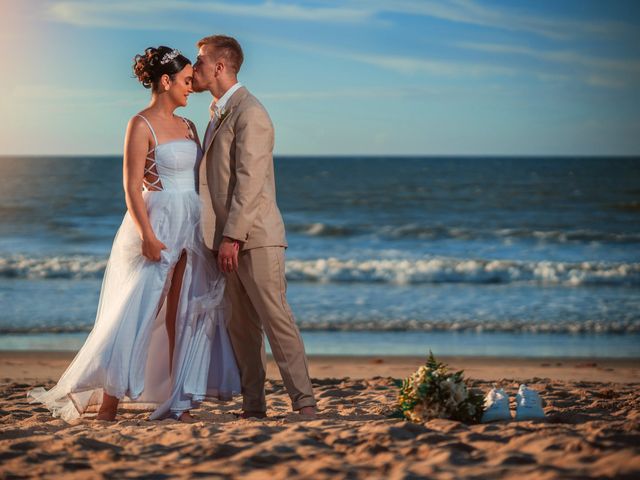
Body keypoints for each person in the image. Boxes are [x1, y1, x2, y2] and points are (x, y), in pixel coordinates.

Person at [28, 46, 240, 422]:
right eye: (187, 81)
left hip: (190, 221)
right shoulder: (140, 124)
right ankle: (108, 402)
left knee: (183, 313)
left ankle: (178, 400)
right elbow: (130, 186)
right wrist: (146, 234)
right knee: (138, 310)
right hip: (156, 221)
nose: (192, 87)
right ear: (166, 81)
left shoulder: (189, 126)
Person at [192, 35, 317, 418]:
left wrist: (232, 235)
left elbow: (249, 180)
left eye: (199, 61)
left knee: (276, 320)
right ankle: (253, 405)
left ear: (219, 66)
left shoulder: (251, 112)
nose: (193, 69)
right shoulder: (217, 112)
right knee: (242, 329)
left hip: (255, 238)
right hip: (226, 240)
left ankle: (305, 403)